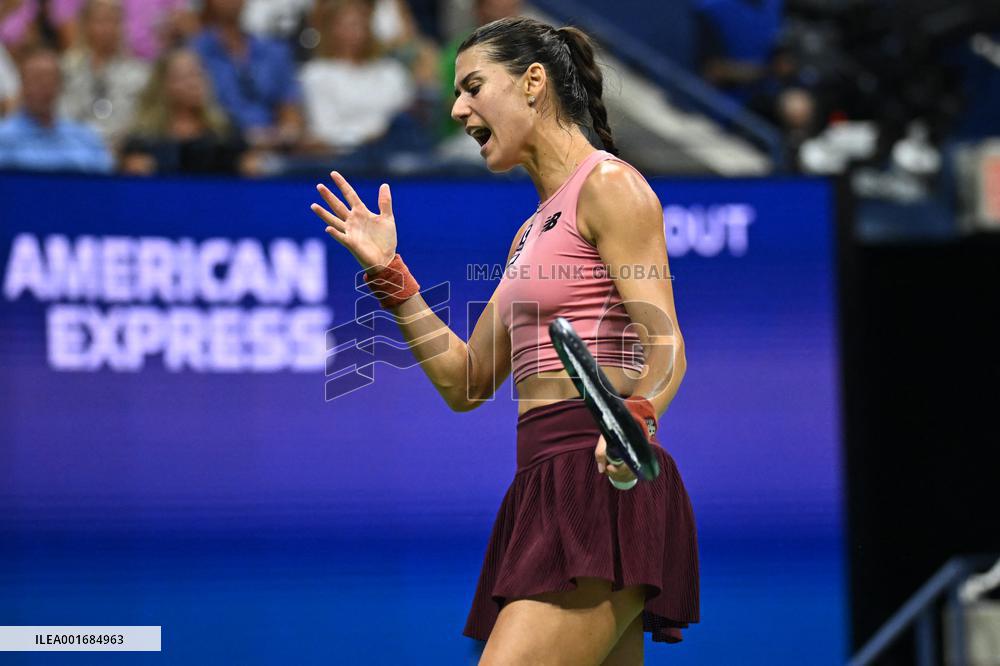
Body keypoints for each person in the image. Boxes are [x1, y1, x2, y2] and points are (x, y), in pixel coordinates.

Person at [309, 15, 699, 662]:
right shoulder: (527, 234)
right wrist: (389, 275)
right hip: (542, 485)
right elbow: (466, 382)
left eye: (472, 86)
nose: (458, 107)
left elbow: (666, 344)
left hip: (601, 479)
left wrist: (636, 417)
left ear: (533, 83)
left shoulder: (610, 187)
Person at [299, 0, 416, 154]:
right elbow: (324, 131)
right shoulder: (316, 74)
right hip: (343, 158)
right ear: (330, 29)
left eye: (361, 24)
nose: (356, 32)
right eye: (348, 25)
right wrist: (369, 135)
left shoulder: (392, 72)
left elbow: (405, 118)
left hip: (394, 155)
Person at [190, 0, 303, 150]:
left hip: (274, 146)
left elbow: (289, 107)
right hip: (219, 146)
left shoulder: (273, 50)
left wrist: (287, 134)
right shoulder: (194, 51)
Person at [120, 48, 252, 175]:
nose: (194, 83)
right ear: (164, 85)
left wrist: (248, 165)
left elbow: (245, 167)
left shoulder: (225, 132)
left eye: (198, 74)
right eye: (184, 77)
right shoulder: (143, 137)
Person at [0, 45, 112, 172]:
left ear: (61, 86)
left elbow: (104, 183)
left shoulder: (85, 139)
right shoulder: (4, 138)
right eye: (37, 79)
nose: (45, 86)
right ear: (23, 84)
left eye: (51, 79)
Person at [59, 0, 150, 149]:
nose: (106, 28)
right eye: (100, 21)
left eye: (113, 21)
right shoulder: (66, 69)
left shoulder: (140, 74)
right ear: (86, 25)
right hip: (74, 150)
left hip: (122, 150)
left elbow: (143, 122)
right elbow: (61, 117)